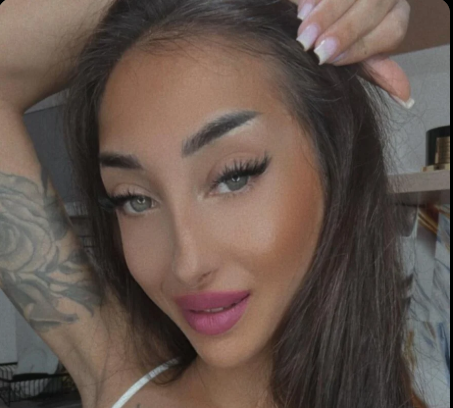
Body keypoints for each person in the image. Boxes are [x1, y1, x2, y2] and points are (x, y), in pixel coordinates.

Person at [0, 0, 426, 407]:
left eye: (233, 177)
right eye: (135, 199)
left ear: (335, 158)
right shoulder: (120, 380)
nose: (187, 265)